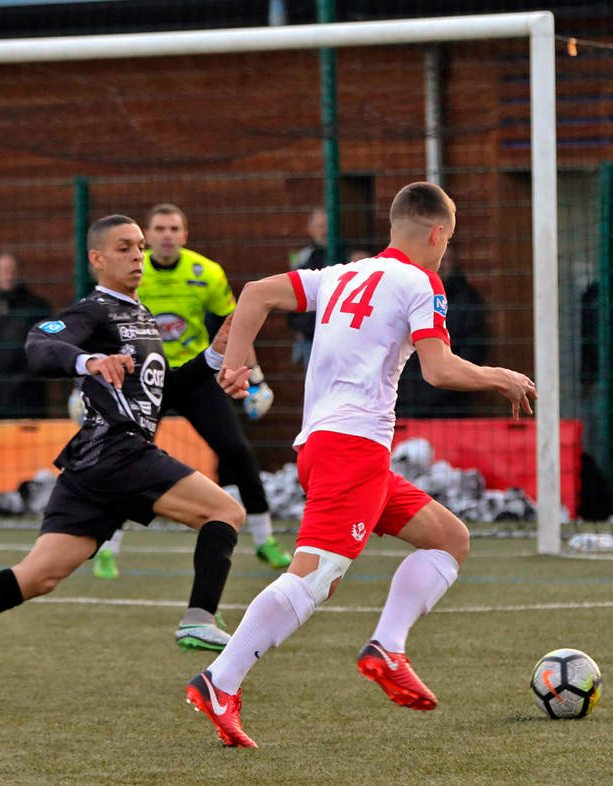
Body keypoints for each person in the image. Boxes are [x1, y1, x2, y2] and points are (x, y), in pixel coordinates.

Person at [184, 181, 537, 747]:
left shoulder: (341, 275)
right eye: (448, 241)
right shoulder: (422, 282)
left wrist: (236, 360)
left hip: (331, 448)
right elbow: (439, 369)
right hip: (351, 449)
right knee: (314, 577)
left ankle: (388, 648)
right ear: (437, 234)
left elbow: (254, 294)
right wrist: (500, 376)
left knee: (448, 539)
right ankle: (219, 681)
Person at [0, 215, 250, 694]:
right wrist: (87, 360)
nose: (138, 256)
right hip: (117, 452)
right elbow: (39, 343)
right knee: (225, 511)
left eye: (140, 247)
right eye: (124, 247)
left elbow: (160, 395)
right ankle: (199, 619)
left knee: (38, 576)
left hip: (95, 464)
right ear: (97, 259)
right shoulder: (95, 311)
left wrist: (214, 358)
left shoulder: (140, 315)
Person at [89, 203, 291, 583]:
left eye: (174, 228)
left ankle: (265, 540)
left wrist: (257, 380)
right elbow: (101, 326)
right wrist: (85, 382)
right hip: (144, 379)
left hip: (195, 376)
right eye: (160, 228)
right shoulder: (129, 271)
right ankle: (107, 548)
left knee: (237, 451)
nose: (167, 235)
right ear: (147, 237)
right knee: (122, 458)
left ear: (185, 235)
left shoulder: (206, 272)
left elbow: (236, 325)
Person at [395, 243, 490, 417]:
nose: (439, 264)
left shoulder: (468, 300)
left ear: (453, 260)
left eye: (444, 258)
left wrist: (441, 390)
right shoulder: (407, 296)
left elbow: (473, 350)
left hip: (448, 406)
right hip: (404, 404)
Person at [0, 252, 53, 419]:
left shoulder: (36, 307)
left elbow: (46, 347)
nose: (7, 275)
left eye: (11, 270)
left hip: (29, 395)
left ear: (19, 273)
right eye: (2, 270)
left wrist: (24, 379)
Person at [286, 207, 333, 367]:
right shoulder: (301, 258)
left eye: (327, 226)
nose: (324, 231)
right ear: (310, 229)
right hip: (310, 334)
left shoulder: (349, 255)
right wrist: (298, 327)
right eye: (320, 226)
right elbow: (292, 292)